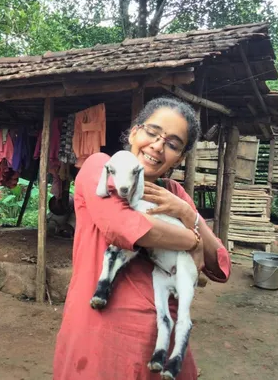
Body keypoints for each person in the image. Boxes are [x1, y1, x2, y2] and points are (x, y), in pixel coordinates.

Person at [53, 97, 231, 380]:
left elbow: (220, 264)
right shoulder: (101, 167)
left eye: (172, 144)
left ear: (180, 158)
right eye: (152, 132)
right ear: (134, 132)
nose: (158, 146)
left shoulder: (174, 193)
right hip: (101, 336)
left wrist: (188, 213)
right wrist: (193, 239)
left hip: (161, 342)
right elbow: (125, 227)